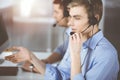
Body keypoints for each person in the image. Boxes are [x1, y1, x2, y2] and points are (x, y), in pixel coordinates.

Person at [5, 0, 119, 80]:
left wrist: (75, 55)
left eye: (77, 18)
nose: (69, 23)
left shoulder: (106, 55)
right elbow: (61, 75)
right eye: (70, 16)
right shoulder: (77, 42)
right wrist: (31, 57)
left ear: (95, 19)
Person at [21, 0, 72, 72]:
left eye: (56, 12)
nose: (53, 16)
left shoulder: (77, 35)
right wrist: (45, 61)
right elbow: (61, 50)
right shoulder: (70, 33)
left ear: (68, 13)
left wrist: (34, 67)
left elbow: (64, 72)